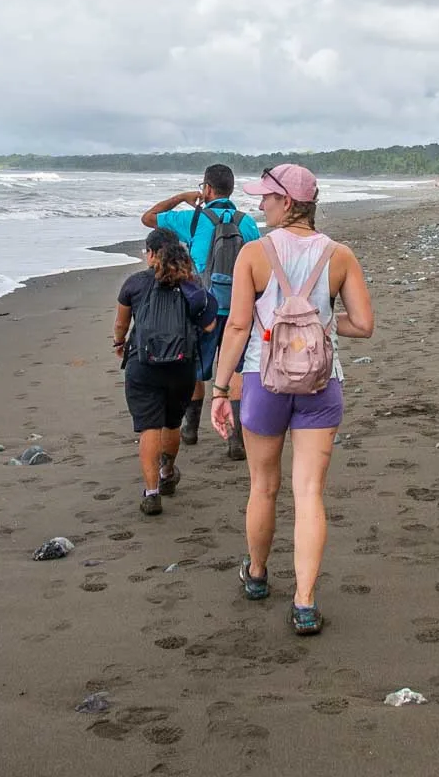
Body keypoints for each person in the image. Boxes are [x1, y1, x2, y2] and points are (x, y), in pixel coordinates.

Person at [210, 164, 374, 635]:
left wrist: (221, 389)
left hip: (264, 381)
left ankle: (258, 575)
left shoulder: (254, 254)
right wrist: (319, 325)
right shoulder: (339, 255)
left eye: (267, 198)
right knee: (308, 494)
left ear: (288, 202)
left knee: (263, 486)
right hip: (322, 383)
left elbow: (238, 326)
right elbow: (363, 324)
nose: (260, 205)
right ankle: (304, 602)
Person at [142, 164, 260, 458]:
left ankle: (191, 427)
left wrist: (182, 197)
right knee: (235, 368)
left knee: (196, 366)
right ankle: (235, 439)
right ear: (230, 189)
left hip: (201, 305)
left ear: (207, 189)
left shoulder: (193, 219)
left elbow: (148, 218)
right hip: (238, 307)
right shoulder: (247, 223)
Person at [113, 228, 218, 516]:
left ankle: (151, 492)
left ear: (150, 253)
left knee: (149, 427)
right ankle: (167, 472)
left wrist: (119, 343)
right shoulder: (191, 286)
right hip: (182, 367)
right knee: (172, 424)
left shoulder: (134, 284)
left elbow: (121, 325)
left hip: (143, 365)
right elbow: (209, 325)